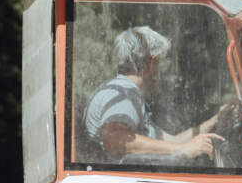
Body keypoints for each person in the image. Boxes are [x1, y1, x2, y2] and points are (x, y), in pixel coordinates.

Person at [84, 25, 232, 162]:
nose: (160, 72)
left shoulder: (121, 92)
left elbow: (173, 141)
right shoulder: (124, 92)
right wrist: (182, 150)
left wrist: (215, 121)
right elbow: (116, 141)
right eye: (160, 63)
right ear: (152, 64)